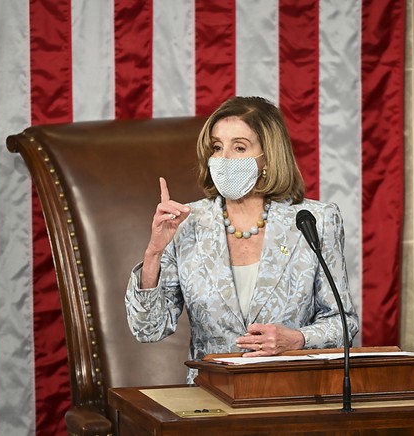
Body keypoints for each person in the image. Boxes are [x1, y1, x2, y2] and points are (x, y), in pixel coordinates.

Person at [125, 96, 359, 382]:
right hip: (212, 397)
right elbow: (149, 329)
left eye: (239, 147)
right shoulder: (186, 222)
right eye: (217, 147)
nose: (223, 159)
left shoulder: (316, 220)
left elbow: (343, 323)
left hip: (292, 394)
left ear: (268, 157)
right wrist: (153, 254)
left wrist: (298, 338)